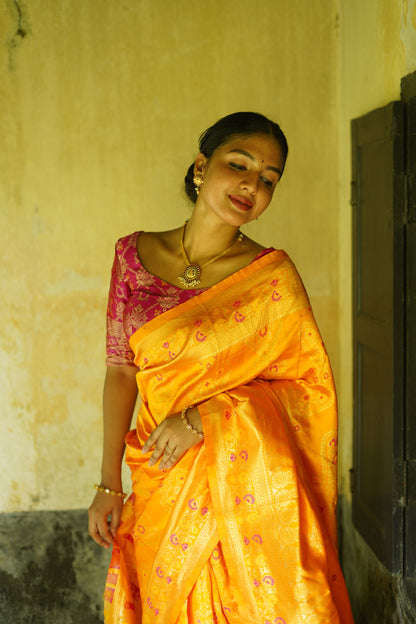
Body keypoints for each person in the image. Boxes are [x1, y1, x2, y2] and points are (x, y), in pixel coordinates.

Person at [88, 112, 354, 623]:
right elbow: (121, 370)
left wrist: (205, 418)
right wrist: (108, 484)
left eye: (269, 179)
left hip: (242, 487)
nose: (253, 185)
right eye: (240, 165)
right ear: (201, 166)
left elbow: (306, 389)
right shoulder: (132, 254)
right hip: (159, 474)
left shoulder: (270, 277)